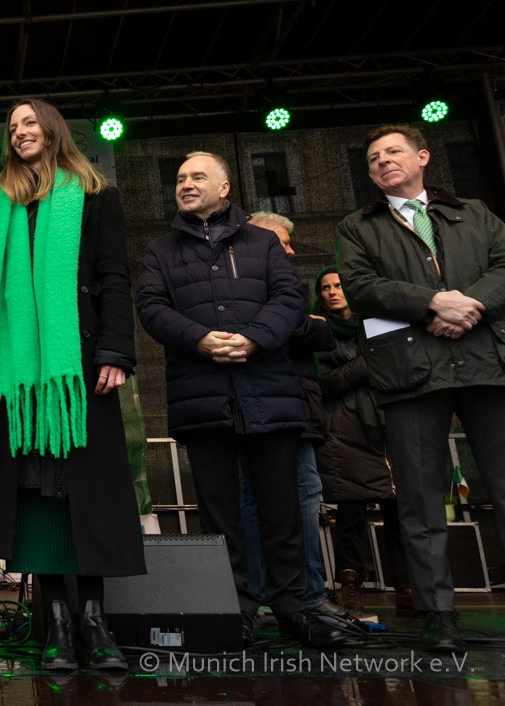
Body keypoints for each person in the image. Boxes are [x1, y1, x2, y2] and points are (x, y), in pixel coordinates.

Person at [0, 98, 144, 673]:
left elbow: (113, 275)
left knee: (83, 487)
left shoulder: (95, 194)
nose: (19, 132)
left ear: (53, 129)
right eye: (12, 127)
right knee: (33, 489)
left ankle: (95, 621)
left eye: (29, 122)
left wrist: (116, 350)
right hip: (13, 372)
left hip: (74, 369)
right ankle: (56, 623)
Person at [136, 151, 344, 648]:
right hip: (201, 397)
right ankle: (236, 609)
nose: (186, 184)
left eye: (197, 176)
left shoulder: (263, 242)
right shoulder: (159, 250)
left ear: (225, 187)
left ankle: (294, 607)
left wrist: (252, 339)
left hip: (269, 392)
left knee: (281, 508)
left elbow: (290, 300)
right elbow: (151, 307)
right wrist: (201, 339)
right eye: (180, 178)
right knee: (219, 514)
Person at [336, 123, 505, 654]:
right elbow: (360, 286)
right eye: (373, 158)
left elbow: (504, 266)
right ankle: (438, 615)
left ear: (423, 157)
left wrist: (469, 306)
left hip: (484, 363)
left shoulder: (474, 213)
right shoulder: (357, 226)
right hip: (409, 372)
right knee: (419, 500)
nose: (382, 161)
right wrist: (434, 303)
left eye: (393, 151)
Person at [238, 211, 335, 614]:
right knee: (300, 494)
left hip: (284, 404)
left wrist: (313, 325)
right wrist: (310, 324)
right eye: (284, 242)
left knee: (267, 498)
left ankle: (270, 596)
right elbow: (301, 329)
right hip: (281, 406)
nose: (291, 251)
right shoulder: (258, 283)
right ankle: (307, 595)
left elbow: (319, 331)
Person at [311, 266, 410, 620]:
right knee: (351, 513)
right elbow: (322, 383)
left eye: (338, 285)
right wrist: (368, 364)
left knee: (399, 511)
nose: (332, 291)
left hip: (386, 425)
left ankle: (408, 590)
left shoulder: (375, 324)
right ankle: (351, 589)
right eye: (325, 287)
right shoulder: (318, 330)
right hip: (344, 432)